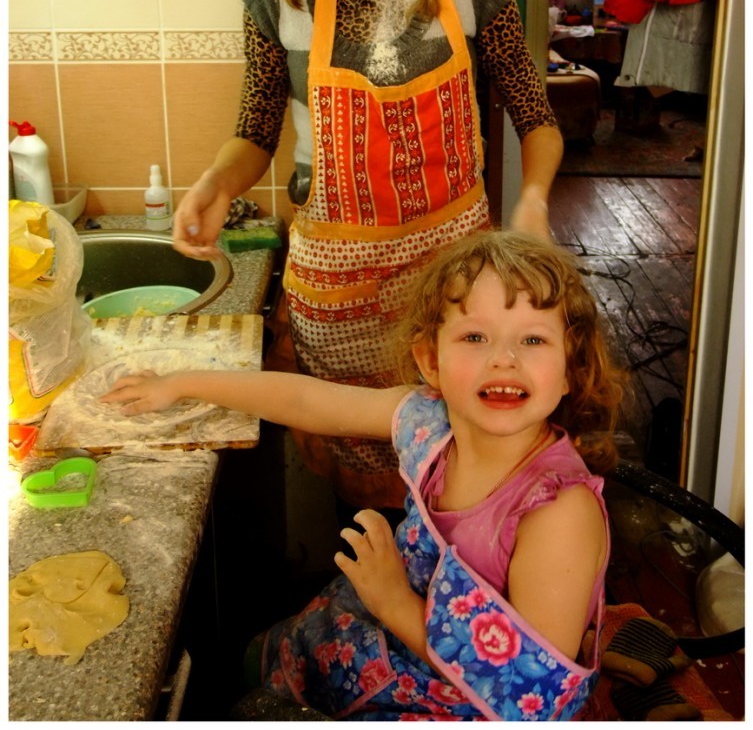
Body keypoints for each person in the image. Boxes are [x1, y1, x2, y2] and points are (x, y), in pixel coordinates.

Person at [171, 0, 564, 510]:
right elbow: (254, 130)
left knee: (458, 479)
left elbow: (536, 117)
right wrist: (218, 184)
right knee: (362, 507)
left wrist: (535, 198)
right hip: (337, 300)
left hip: (455, 289)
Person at [102, 229, 625, 721]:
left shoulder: (558, 513)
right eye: (474, 336)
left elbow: (527, 698)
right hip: (382, 639)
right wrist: (182, 383)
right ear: (431, 361)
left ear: (570, 369)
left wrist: (394, 602)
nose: (504, 360)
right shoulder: (432, 422)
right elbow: (309, 401)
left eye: (533, 340)